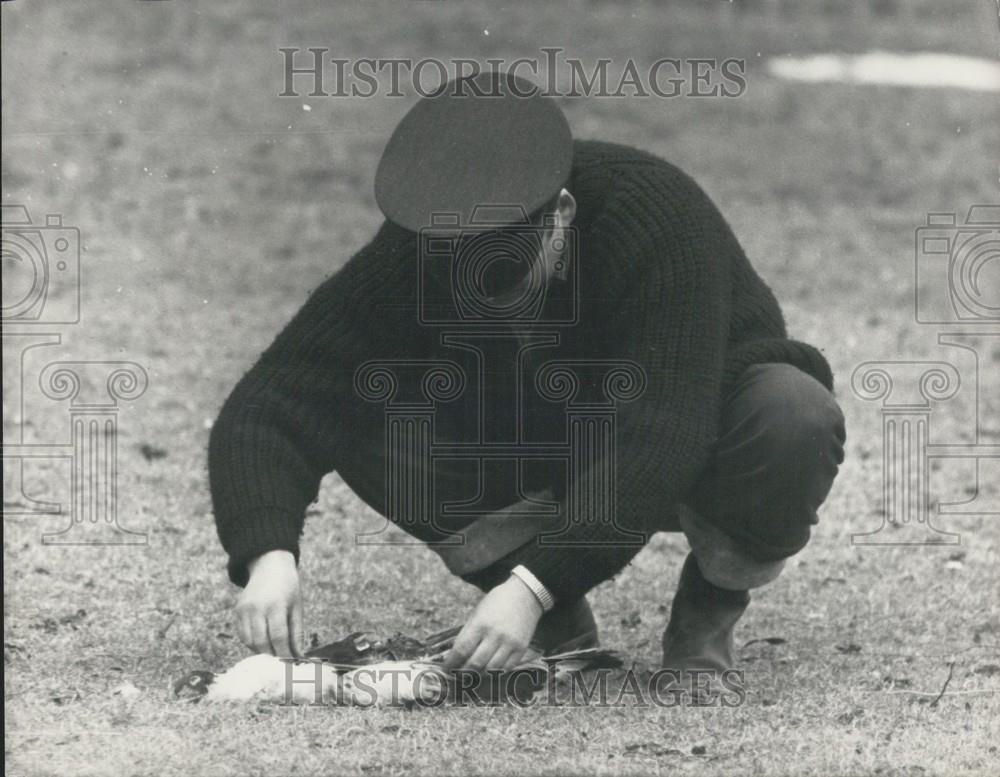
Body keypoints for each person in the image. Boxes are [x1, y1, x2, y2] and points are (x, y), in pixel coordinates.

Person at [208, 70, 845, 678]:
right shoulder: (418, 240)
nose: (493, 307)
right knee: (366, 407)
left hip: (693, 432)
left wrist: (532, 588)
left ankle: (706, 612)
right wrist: (269, 557)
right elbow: (274, 399)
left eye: (511, 281)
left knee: (793, 413)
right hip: (542, 437)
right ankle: (555, 618)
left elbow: (659, 438)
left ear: (560, 213)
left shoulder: (659, 218)